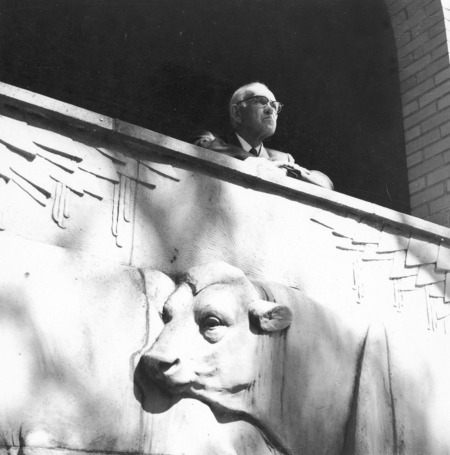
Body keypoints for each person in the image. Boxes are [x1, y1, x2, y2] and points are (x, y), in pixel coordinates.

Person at [192, 82, 333, 190]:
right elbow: (202, 145)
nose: (271, 109)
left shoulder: (284, 159)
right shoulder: (209, 138)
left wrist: (295, 173)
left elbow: (326, 184)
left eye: (275, 105)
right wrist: (262, 164)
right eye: (261, 101)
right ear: (237, 113)